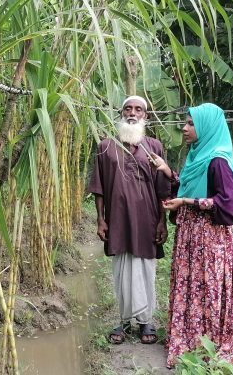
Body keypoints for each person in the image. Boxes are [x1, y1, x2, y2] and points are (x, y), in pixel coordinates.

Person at [151, 103, 233, 367]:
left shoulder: (218, 160)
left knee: (206, 286)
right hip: (192, 236)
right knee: (191, 286)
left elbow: (228, 204)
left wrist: (187, 202)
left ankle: (208, 343)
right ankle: (189, 338)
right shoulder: (197, 156)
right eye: (186, 122)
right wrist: (168, 172)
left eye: (191, 123)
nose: (185, 127)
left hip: (210, 239)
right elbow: (191, 185)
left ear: (206, 127)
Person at [87, 95, 170, 345]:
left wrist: (162, 221)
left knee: (145, 269)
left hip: (147, 219)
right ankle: (124, 320)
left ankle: (145, 321)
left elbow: (163, 187)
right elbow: (99, 187)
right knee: (122, 269)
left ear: (145, 115)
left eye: (138, 109)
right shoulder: (105, 146)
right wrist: (100, 219)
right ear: (121, 113)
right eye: (128, 108)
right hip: (118, 219)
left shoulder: (154, 146)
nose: (132, 113)